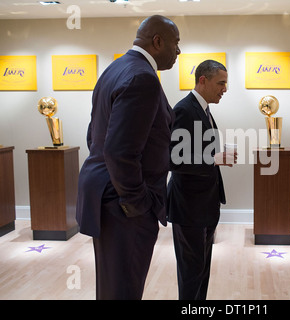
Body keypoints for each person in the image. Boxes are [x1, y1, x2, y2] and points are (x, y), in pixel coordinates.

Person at [75, 15, 181, 300]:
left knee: (113, 286)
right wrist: (138, 203)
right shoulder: (142, 77)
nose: (179, 51)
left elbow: (94, 135)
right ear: (157, 42)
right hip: (123, 206)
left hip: (106, 197)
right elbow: (118, 151)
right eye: (176, 43)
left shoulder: (116, 68)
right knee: (123, 289)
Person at [167, 59, 237, 300]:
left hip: (204, 206)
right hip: (189, 208)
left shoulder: (204, 109)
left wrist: (217, 156)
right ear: (203, 80)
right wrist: (215, 158)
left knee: (201, 270)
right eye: (221, 83)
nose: (225, 89)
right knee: (191, 272)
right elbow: (173, 159)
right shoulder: (184, 109)